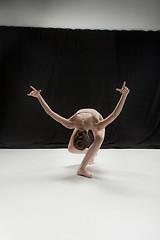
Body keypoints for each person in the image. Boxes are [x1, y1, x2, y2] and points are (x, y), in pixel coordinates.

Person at [27, 81, 130, 178]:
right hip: (85, 120)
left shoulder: (93, 125)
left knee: (99, 138)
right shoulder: (72, 124)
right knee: (71, 149)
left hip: (95, 116)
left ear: (88, 136)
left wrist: (124, 95)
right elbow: (50, 113)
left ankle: (82, 168)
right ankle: (91, 153)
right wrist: (38, 96)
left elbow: (115, 114)